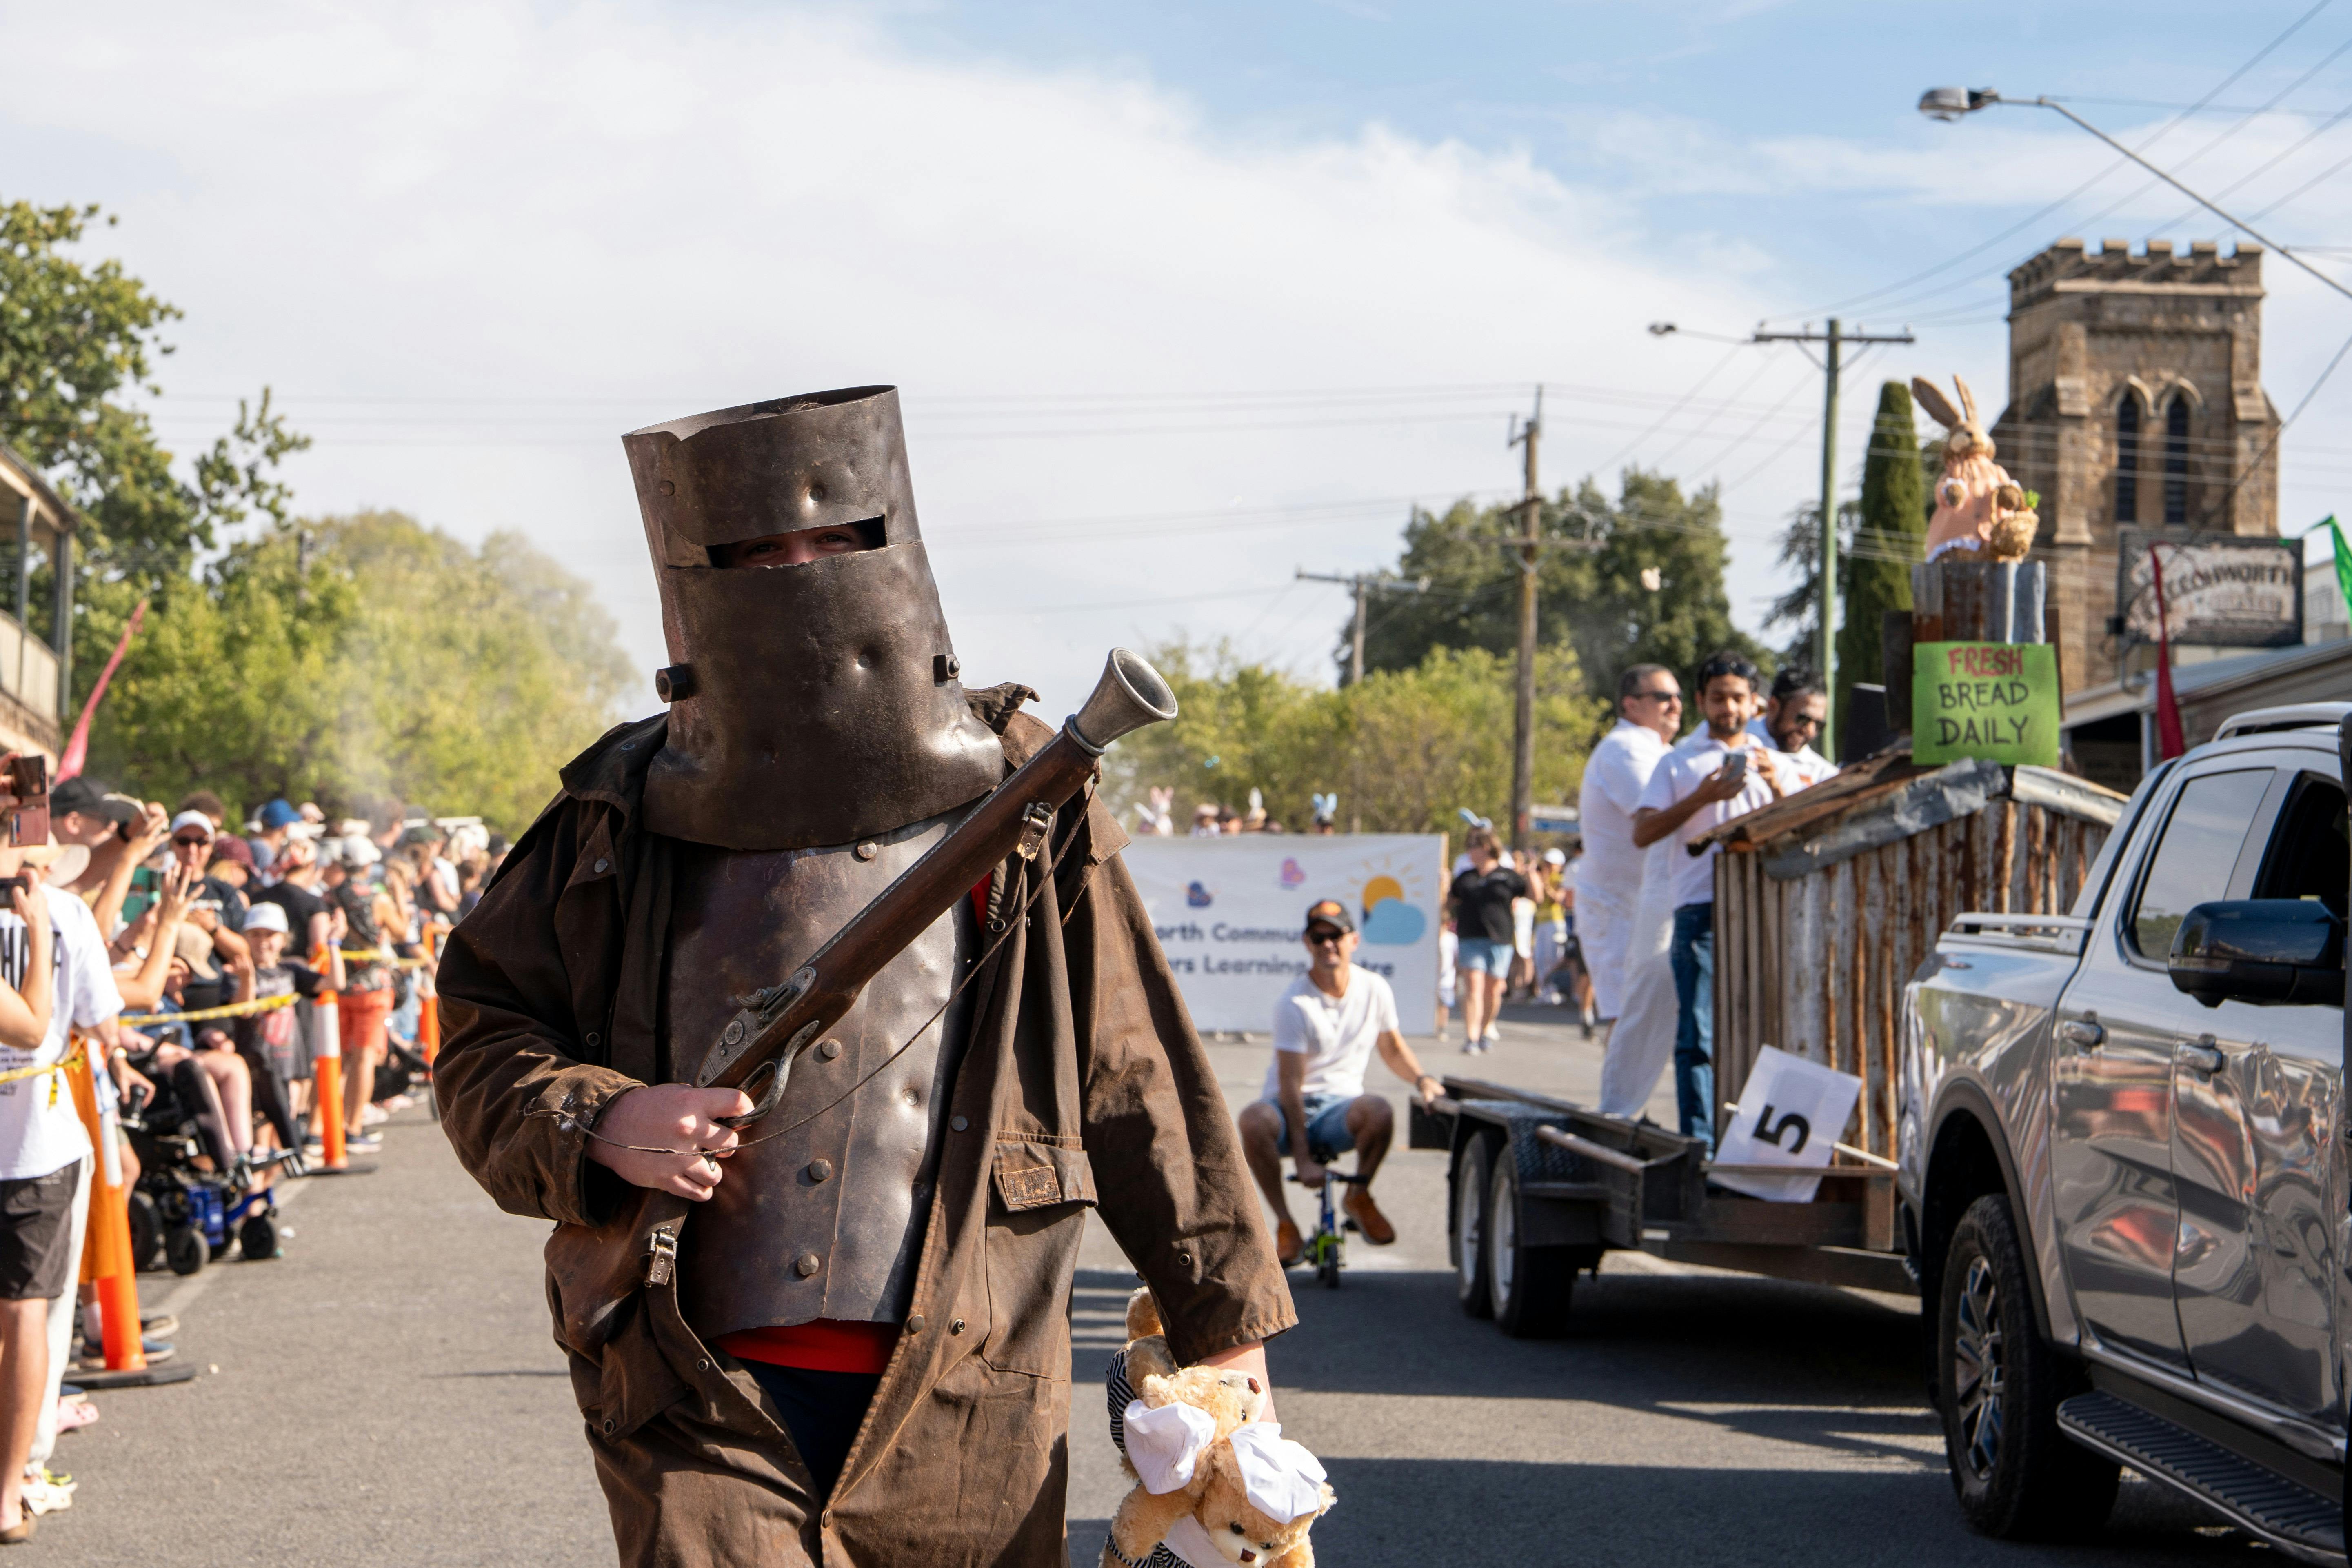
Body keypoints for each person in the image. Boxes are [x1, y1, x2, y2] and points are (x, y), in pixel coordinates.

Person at [433, 386, 1292, 1567]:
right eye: (756, 551)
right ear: (697, 580)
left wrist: (1226, 1336)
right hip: (693, 1388)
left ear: (893, 544)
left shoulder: (1026, 798)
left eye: (834, 538)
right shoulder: (615, 814)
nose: (799, 575)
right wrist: (598, 1121)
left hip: (968, 1381)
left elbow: (1132, 1067)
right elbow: (484, 1036)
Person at [0, 830, 120, 1544]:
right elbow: (76, 1021)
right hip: (38, 1139)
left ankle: (13, 1481)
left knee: (20, 1315)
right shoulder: (64, 913)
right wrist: (40, 931)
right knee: (26, 1314)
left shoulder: (72, 913)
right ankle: (11, 1487)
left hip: (40, 1140)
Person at [1632, 651, 1787, 1153]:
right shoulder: (1678, 761)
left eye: (1738, 698)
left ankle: (1757, 1144)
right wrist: (1702, 796)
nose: (1728, 708)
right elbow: (1643, 831)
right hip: (1701, 909)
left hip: (1766, 908)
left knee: (1767, 1029)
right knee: (1698, 1032)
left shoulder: (1774, 759)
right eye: (1718, 698)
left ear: (1755, 703)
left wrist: (1778, 783)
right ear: (1701, 700)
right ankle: (1699, 1145)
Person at [1235, 899, 1440, 1266]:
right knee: (1252, 1120)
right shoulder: (1294, 1003)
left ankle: (1357, 1195)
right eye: (1319, 937)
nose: (1328, 944)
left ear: (1354, 940)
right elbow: (1290, 1083)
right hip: (1289, 1107)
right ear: (1307, 943)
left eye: (1336, 935)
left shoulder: (1374, 988)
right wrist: (1302, 1159)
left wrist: (1423, 1079)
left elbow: (1392, 1048)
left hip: (1340, 1109)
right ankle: (1286, 1224)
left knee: (1379, 1110)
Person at [1576, 665, 1679, 1024]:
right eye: (1664, 697)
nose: (1675, 705)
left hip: (1644, 907)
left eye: (1678, 697)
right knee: (1628, 1020)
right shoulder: (1626, 748)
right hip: (1617, 909)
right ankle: (1616, 1085)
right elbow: (1658, 820)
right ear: (1631, 705)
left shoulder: (1659, 749)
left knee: (1647, 1020)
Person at [1448, 828, 1527, 1055]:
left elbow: (1533, 895)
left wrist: (1530, 872)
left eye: (1473, 846)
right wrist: (1443, 885)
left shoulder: (1508, 875)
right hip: (1470, 937)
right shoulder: (1466, 877)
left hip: (1500, 939)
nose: (1469, 852)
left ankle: (1484, 1030)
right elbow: (1449, 902)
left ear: (1486, 848)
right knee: (1473, 985)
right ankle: (1471, 1037)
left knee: (1493, 990)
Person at [1750, 666, 1838, 787]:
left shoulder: (1824, 776)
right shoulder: (1736, 741)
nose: (1811, 731)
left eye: (1819, 724)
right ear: (1773, 706)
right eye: (1803, 719)